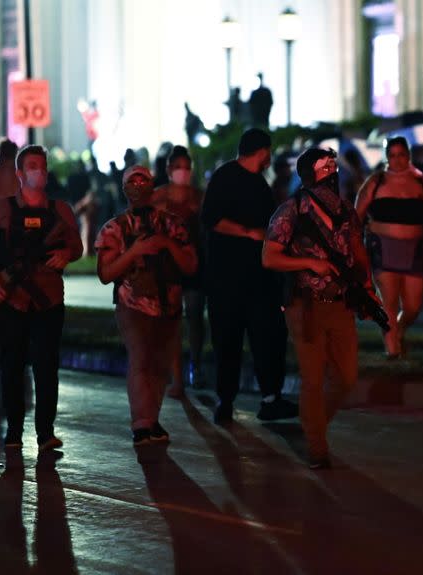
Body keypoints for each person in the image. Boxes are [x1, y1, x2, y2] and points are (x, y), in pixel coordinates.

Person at [263, 147, 377, 469]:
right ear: (309, 176)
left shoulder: (345, 211)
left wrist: (368, 290)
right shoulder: (291, 212)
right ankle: (316, 446)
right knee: (312, 377)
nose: (331, 176)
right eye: (324, 171)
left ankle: (313, 424)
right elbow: (270, 257)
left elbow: (358, 252)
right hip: (305, 306)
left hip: (341, 304)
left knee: (347, 377)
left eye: (333, 171)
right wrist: (310, 263)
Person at [0, 145, 83, 450]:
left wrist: (65, 253)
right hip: (13, 299)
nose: (39, 171)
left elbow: (76, 246)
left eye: (42, 165)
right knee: (12, 366)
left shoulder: (59, 211)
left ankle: (45, 433)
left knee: (47, 367)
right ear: (19, 174)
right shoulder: (0, 208)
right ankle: (14, 431)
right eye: (32, 166)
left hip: (48, 299)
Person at [201, 128, 298, 424]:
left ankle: (271, 398)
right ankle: (225, 400)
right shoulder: (224, 177)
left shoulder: (260, 183)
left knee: (269, 337)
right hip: (227, 279)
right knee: (227, 340)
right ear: (262, 151)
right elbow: (212, 219)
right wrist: (249, 233)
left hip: (260, 279)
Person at [95, 165, 197, 445]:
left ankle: (151, 419)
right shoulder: (115, 228)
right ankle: (141, 422)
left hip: (170, 307)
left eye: (144, 180)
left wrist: (166, 245)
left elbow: (190, 264)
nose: (138, 185)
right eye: (132, 181)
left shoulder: (172, 225)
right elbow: (105, 273)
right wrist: (136, 251)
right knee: (140, 360)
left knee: (160, 364)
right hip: (133, 305)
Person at [355, 137, 423, 357]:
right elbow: (357, 215)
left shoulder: (421, 182)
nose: (397, 160)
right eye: (392, 155)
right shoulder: (376, 181)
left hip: (414, 248)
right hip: (383, 247)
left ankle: (398, 331)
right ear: (386, 157)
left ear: (408, 156)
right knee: (389, 301)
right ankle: (392, 351)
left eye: (401, 155)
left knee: (412, 306)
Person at [151, 146, 207, 396]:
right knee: (171, 319)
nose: (183, 172)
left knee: (194, 315)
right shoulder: (157, 198)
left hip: (194, 263)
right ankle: (176, 377)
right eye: (178, 167)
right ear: (169, 170)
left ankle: (195, 364)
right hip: (167, 266)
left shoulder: (200, 197)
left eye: (187, 167)